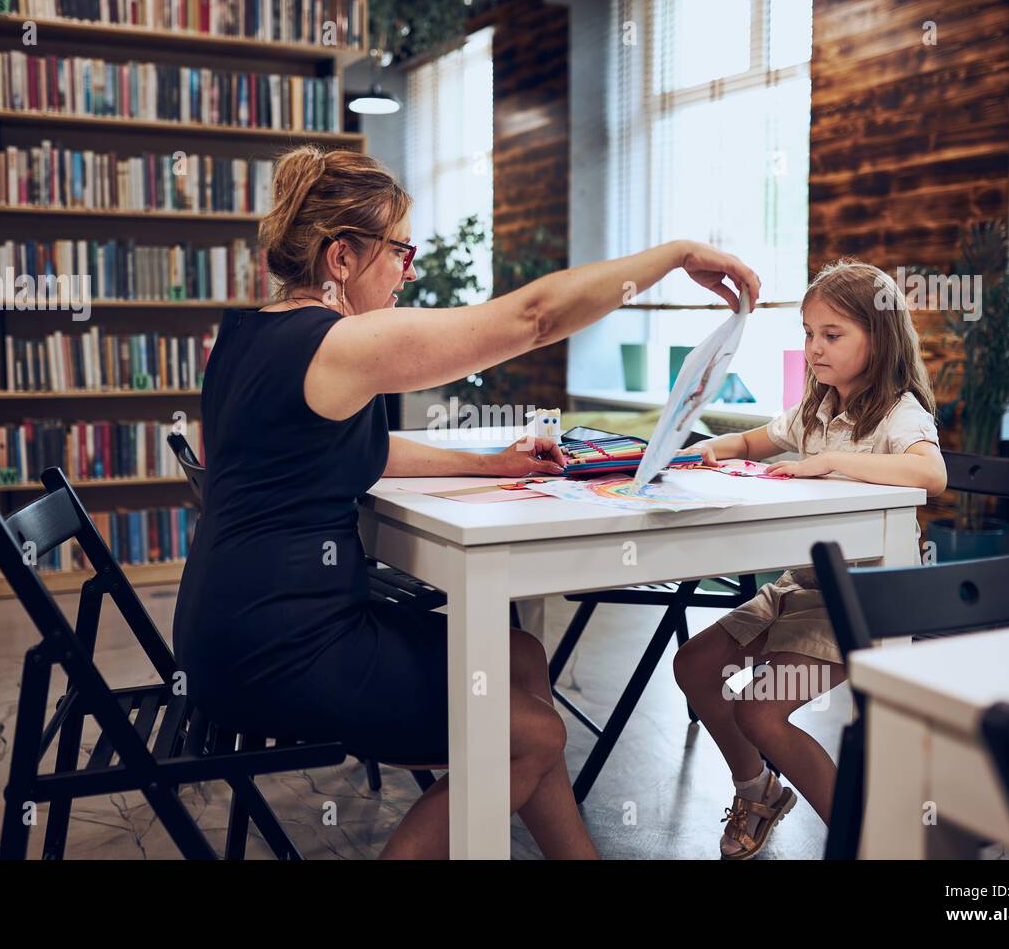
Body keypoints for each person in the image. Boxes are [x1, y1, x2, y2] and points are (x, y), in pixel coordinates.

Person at [173, 144, 760, 859]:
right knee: (533, 737)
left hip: (232, 625)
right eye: (398, 251)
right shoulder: (338, 342)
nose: (408, 270)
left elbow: (350, 450)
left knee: (519, 656)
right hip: (281, 647)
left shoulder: (251, 335)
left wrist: (490, 462)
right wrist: (673, 255)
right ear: (340, 258)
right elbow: (534, 318)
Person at [671, 260, 947, 860]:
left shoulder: (898, 412)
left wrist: (833, 462)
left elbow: (932, 472)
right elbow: (753, 441)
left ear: (880, 338)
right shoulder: (815, 408)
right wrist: (709, 448)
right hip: (802, 586)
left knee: (761, 711)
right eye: (807, 332)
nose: (814, 348)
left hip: (863, 597)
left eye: (832, 334)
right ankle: (758, 790)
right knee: (696, 666)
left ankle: (866, 844)